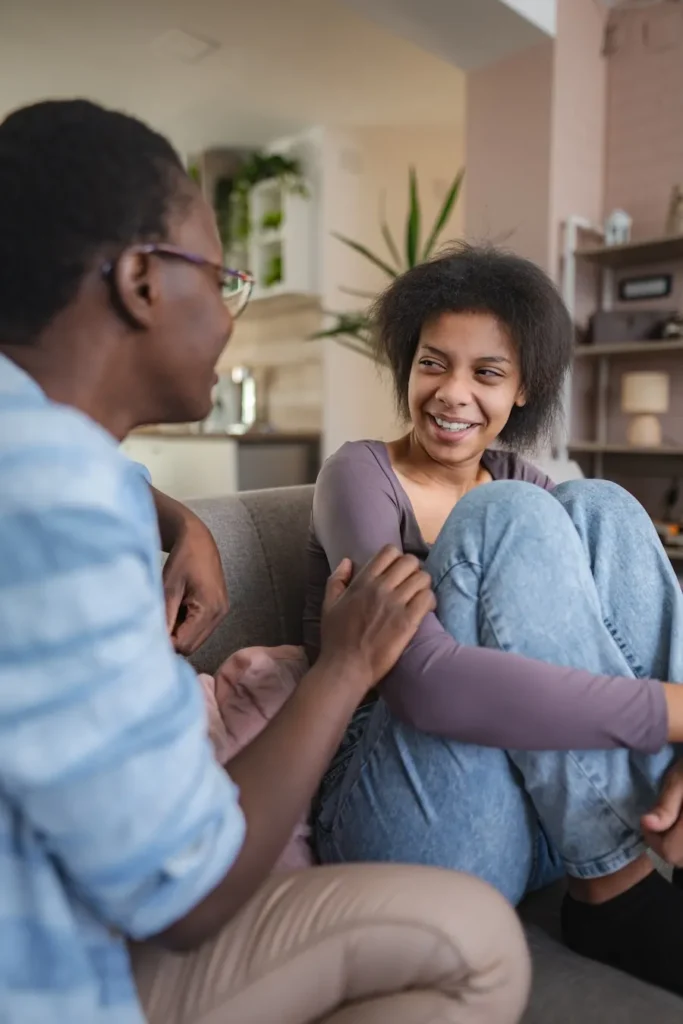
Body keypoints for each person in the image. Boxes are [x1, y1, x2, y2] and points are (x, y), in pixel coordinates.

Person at [0, 101, 531, 1024]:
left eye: (489, 374)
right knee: (475, 943)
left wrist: (168, 513)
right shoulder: (54, 498)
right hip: (60, 968)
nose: (230, 316)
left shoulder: (58, 470)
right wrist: (347, 663)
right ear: (139, 280)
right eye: (223, 278)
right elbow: (187, 894)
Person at [304, 244, 683, 997]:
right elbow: (424, 689)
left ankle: (628, 848)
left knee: (600, 504)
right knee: (506, 513)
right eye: (431, 364)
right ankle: (613, 891)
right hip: (416, 819)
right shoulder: (360, 477)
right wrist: (672, 712)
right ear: (406, 366)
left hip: (538, 824)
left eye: (486, 373)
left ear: (522, 390)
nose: (451, 394)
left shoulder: (529, 486)